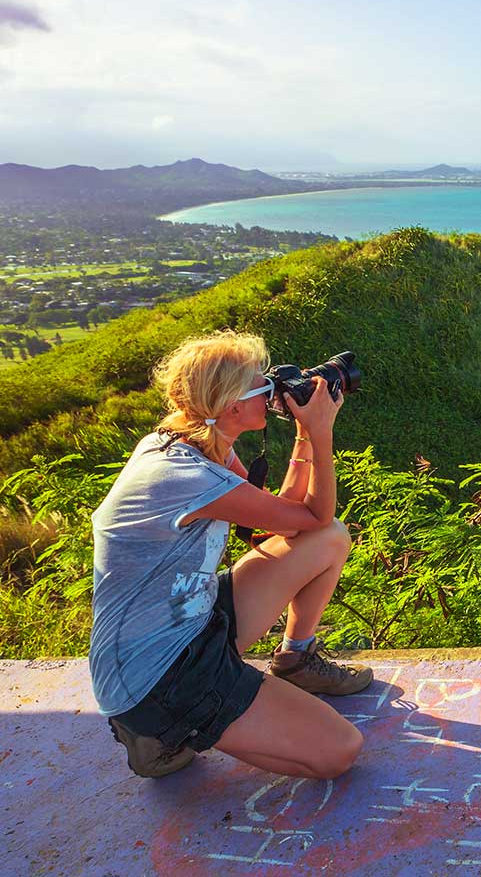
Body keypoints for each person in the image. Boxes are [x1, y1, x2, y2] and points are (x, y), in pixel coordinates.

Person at [89, 331, 372, 780]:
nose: (273, 392)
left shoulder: (196, 441)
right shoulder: (183, 475)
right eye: (263, 387)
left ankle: (296, 659)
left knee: (330, 539)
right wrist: (321, 432)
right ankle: (162, 731)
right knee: (339, 751)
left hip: (191, 616)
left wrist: (302, 434)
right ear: (232, 406)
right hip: (159, 672)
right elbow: (315, 511)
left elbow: (290, 521)